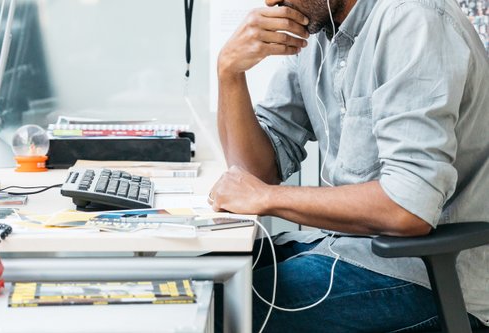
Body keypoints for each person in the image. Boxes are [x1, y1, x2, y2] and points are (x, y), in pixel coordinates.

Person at [209, 0, 489, 331]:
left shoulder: (413, 19)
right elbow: (250, 174)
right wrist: (230, 72)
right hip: (349, 251)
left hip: (427, 278)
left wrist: (268, 198)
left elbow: (407, 207)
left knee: (222, 310)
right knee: (206, 279)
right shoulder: (317, 34)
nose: (270, 2)